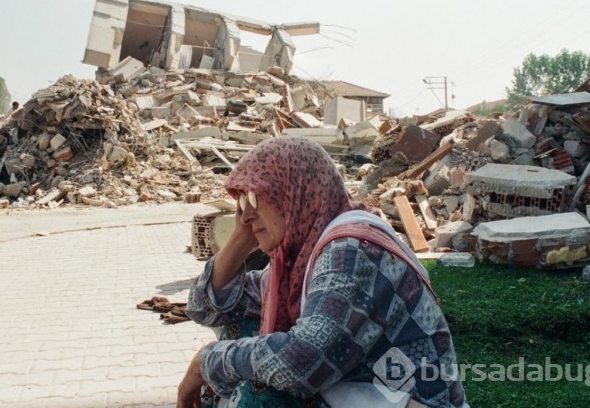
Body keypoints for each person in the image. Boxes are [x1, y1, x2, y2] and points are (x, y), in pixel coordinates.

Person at [178, 136, 468, 408]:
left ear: (293, 191)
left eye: (254, 199)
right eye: (240, 203)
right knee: (238, 329)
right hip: (367, 395)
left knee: (263, 393)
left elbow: (301, 363)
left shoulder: (351, 250)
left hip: (416, 402)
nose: (245, 215)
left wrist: (207, 360)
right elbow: (207, 309)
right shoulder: (296, 259)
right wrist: (242, 238)